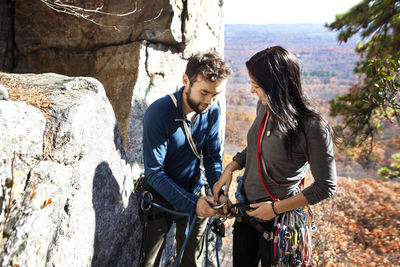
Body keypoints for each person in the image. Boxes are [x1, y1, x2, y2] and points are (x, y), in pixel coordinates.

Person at [213, 46, 337, 267]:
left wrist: (274, 209)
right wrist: (230, 168)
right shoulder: (265, 107)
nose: (251, 91)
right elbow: (256, 147)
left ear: (275, 87)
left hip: (280, 223)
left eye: (256, 85)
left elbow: (326, 186)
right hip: (247, 211)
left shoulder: (313, 127)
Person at [142, 52, 232, 267]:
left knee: (192, 261)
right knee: (149, 262)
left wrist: (218, 190)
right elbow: (154, 172)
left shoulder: (211, 111)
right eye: (204, 93)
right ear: (186, 81)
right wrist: (193, 204)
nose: (209, 101)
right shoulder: (160, 112)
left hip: (194, 190)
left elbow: (211, 156)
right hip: (160, 198)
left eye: (215, 95)